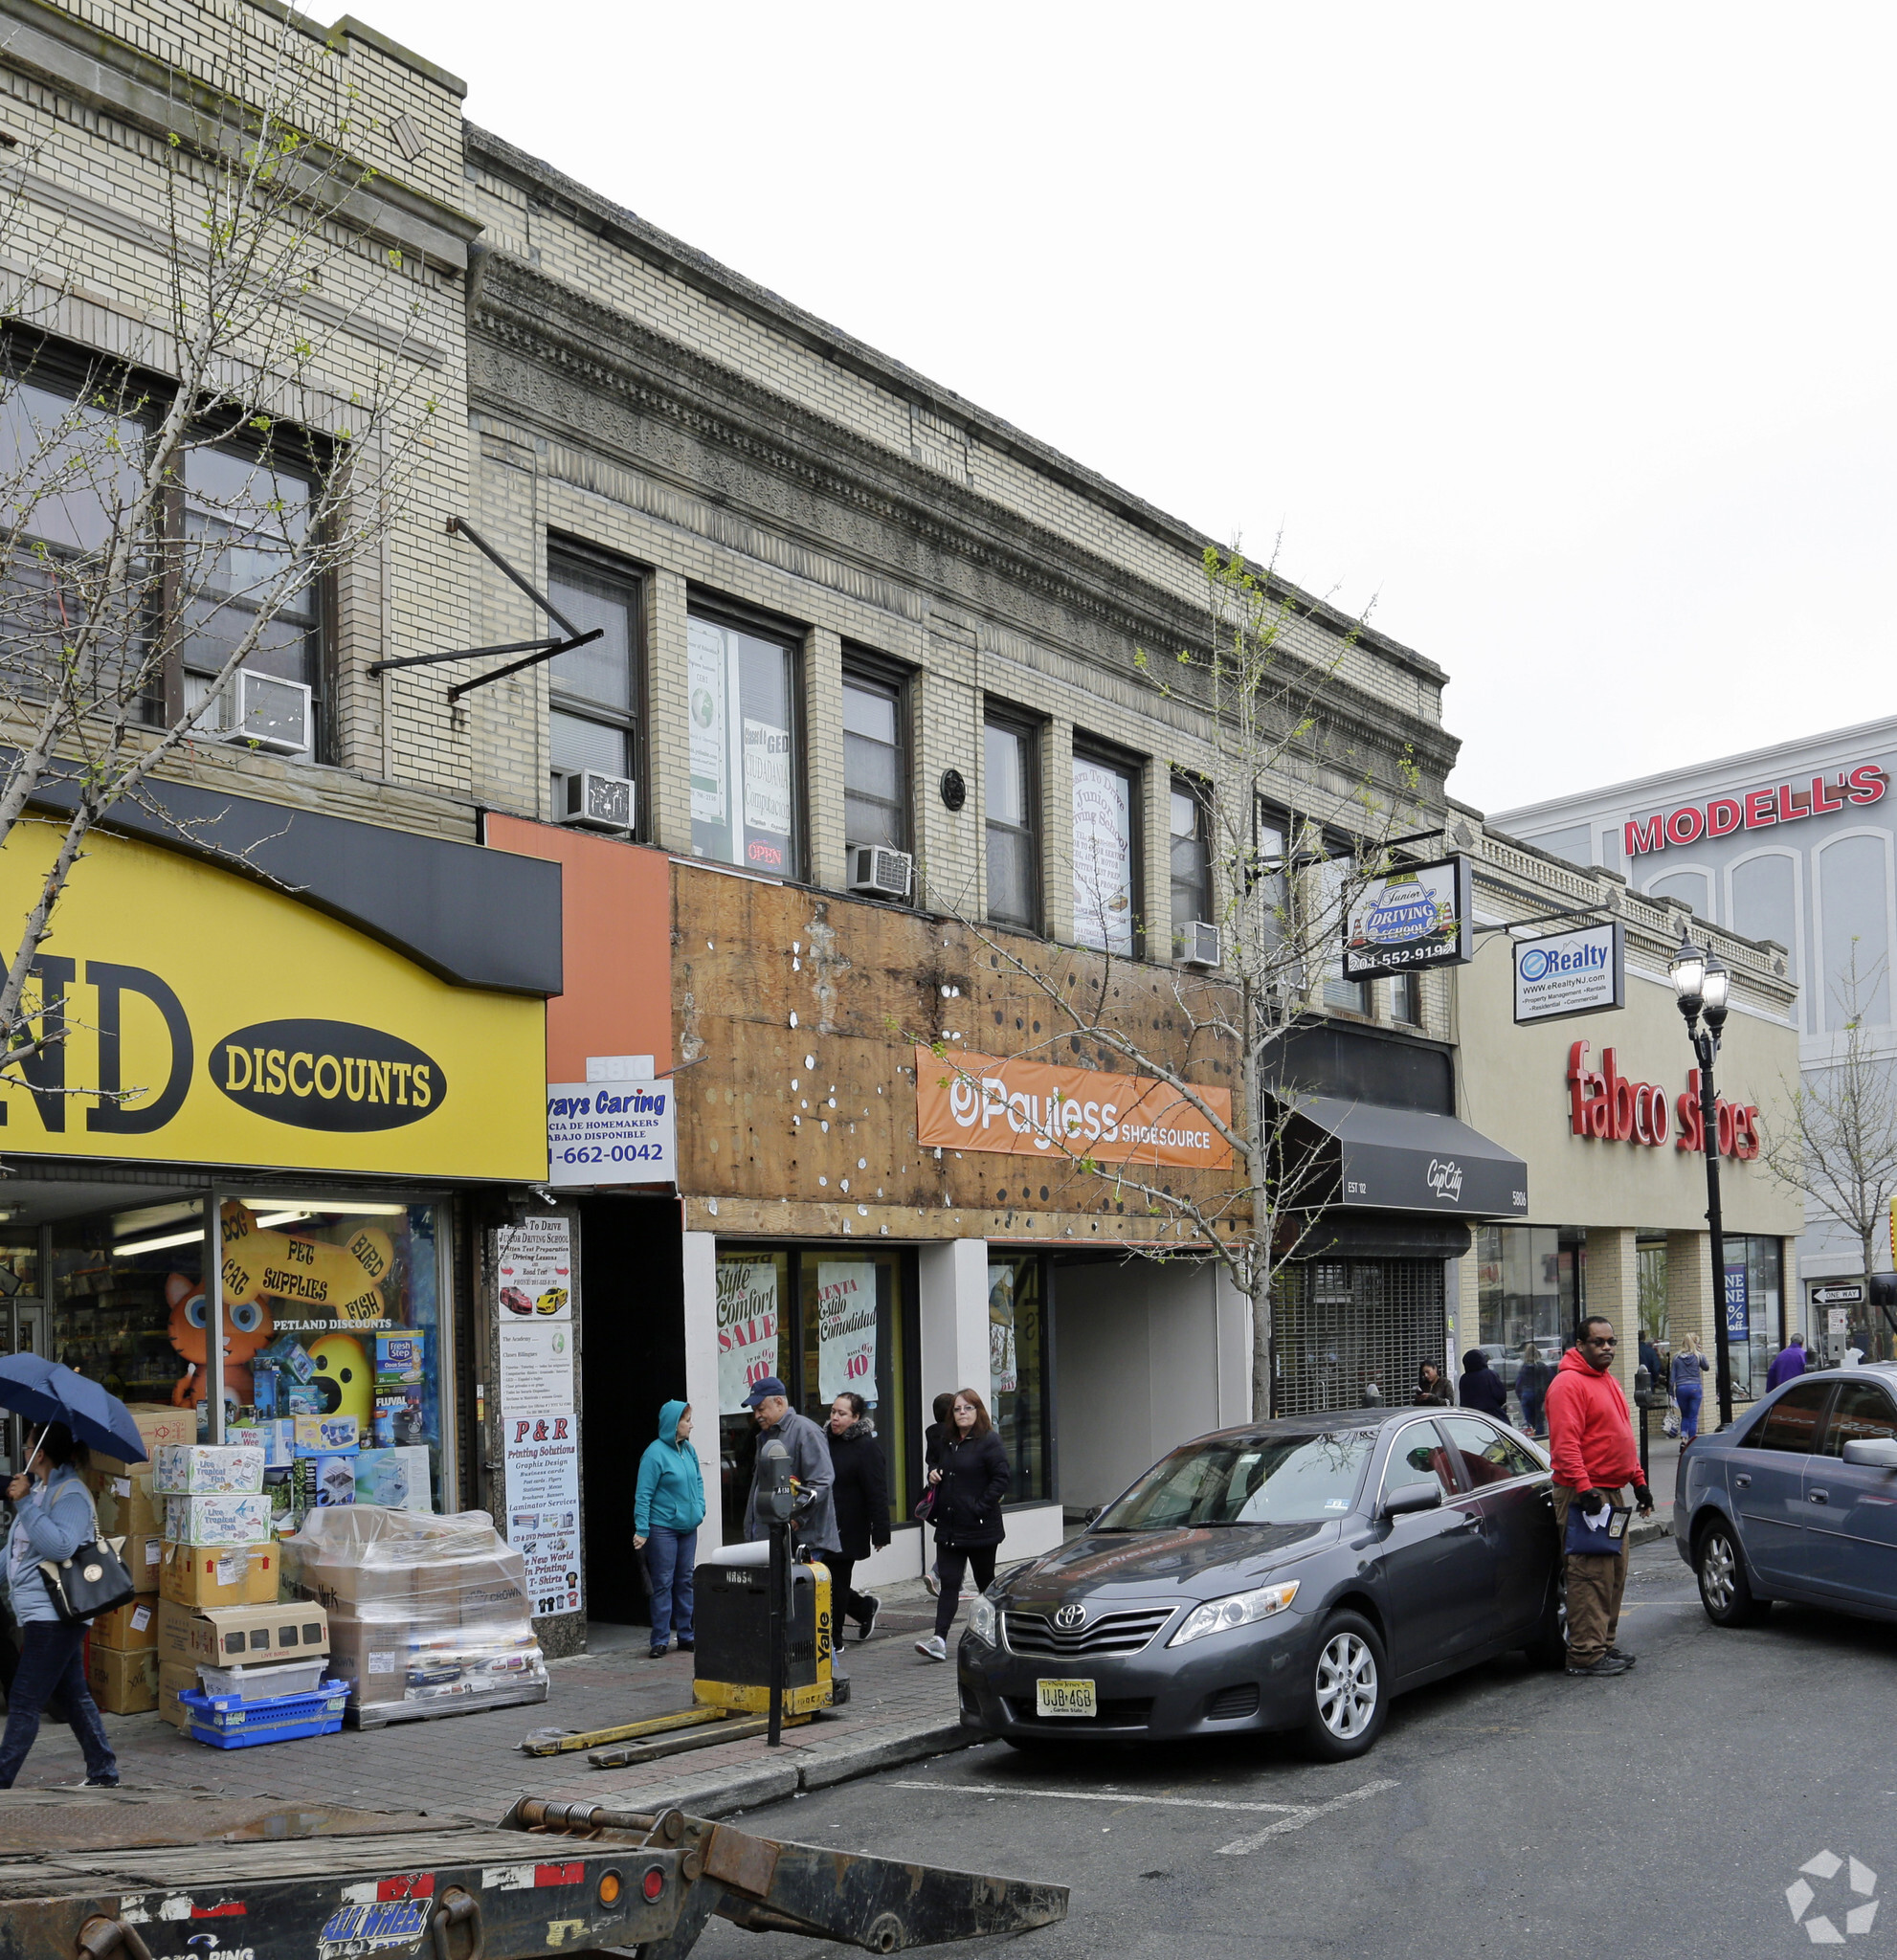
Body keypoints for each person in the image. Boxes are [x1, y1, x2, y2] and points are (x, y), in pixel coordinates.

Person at [0, 1423, 118, 1788]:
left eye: (29, 1443)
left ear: (42, 1452)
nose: (23, 1448)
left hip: (56, 1614)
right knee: (73, 1692)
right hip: (42, 1611)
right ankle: (103, 1771)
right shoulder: (41, 1491)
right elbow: (15, 1552)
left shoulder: (71, 1495)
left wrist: (23, 1504)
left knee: (23, 1699)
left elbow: (61, 1547)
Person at [1546, 1318, 1654, 1679]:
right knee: (1589, 1575)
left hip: (1611, 1491)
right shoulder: (1568, 1385)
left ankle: (1602, 1644)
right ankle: (1585, 1653)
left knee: (1613, 1572)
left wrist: (1638, 1482)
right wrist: (1584, 1488)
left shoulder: (1607, 1381)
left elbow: (1620, 1435)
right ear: (1580, 1344)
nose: (1607, 1347)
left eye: (1612, 1341)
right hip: (1585, 1495)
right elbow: (1566, 1445)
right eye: (1598, 1342)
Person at [914, 1388, 1009, 1661]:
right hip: (949, 1525)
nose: (962, 1414)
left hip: (980, 1527)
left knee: (985, 1583)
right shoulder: (947, 1441)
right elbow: (943, 1469)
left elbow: (1001, 1479)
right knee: (950, 1583)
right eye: (957, 1409)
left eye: (968, 1408)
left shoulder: (990, 1442)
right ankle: (938, 1640)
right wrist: (934, 1475)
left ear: (978, 1411)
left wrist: (980, 1508)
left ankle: (998, 1633)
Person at [634, 1399, 704, 1660]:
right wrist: (642, 1529)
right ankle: (660, 1639)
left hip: (688, 1527)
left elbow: (697, 1480)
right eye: (687, 1421)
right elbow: (643, 1495)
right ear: (674, 1425)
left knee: (685, 1580)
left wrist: (700, 1509)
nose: (691, 1425)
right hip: (662, 1527)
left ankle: (687, 1635)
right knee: (663, 1582)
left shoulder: (689, 1450)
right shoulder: (653, 1454)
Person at [741, 1377, 838, 1557]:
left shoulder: (805, 1431)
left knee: (796, 1586)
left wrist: (795, 1518)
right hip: (774, 1539)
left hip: (802, 1541)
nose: (756, 1416)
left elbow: (821, 1481)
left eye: (760, 1409)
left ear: (779, 1402)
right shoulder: (764, 1435)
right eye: (754, 1410)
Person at [825, 1391, 890, 1643]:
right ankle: (864, 1608)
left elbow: (877, 1491)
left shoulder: (866, 1448)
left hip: (849, 1526)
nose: (835, 1418)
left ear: (856, 1417)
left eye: (842, 1414)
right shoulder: (823, 1441)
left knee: (837, 1582)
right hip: (822, 1524)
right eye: (833, 1412)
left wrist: (880, 1531)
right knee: (824, 1580)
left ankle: (834, 1639)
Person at [920, 1391, 955, 1598]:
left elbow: (929, 1461)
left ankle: (948, 1579)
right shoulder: (952, 1434)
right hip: (953, 1491)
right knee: (959, 1537)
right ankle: (937, 1572)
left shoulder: (931, 1433)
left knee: (948, 1535)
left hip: (938, 1491)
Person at [1669, 1331, 1709, 1442]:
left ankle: (1683, 1440)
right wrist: (1701, 1352)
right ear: (1695, 1343)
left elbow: (1672, 1378)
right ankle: (1691, 1441)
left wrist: (1671, 1393)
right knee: (1693, 1417)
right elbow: (1706, 1367)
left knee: (1685, 1416)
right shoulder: (1698, 1356)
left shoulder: (1676, 1358)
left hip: (1681, 1389)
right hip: (1695, 1388)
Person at [1459, 1348, 1507, 1417]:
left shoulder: (1464, 1379)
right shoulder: (1490, 1375)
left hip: (1472, 1416)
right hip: (1492, 1415)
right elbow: (1501, 1396)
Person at [1516, 1345, 1551, 1438]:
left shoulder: (1524, 1368)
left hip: (1526, 1396)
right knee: (1539, 1421)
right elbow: (1549, 1382)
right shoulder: (1542, 1367)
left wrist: (1521, 1397)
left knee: (1529, 1423)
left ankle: (1530, 1440)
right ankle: (1539, 1440)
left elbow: (1518, 1385)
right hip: (1538, 1397)